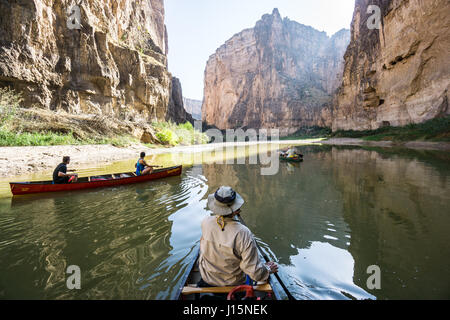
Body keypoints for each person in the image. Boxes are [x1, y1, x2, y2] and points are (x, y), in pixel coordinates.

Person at [198, 186, 278, 288]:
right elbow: (255, 273)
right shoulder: (243, 232)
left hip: (207, 279)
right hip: (232, 285)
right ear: (236, 209)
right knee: (260, 276)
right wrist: (267, 269)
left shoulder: (206, 222)